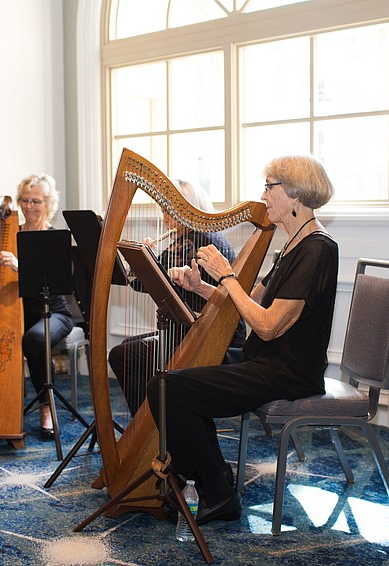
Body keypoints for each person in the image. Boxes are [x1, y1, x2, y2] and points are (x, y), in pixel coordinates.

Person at [147, 155, 338, 525]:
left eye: (270, 186)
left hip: (287, 371)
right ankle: (203, 480)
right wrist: (202, 285)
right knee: (176, 378)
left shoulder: (318, 249)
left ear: (295, 194)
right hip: (264, 359)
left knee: (168, 390)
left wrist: (226, 274)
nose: (263, 195)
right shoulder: (293, 244)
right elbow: (249, 299)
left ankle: (217, 491)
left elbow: (267, 325)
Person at [108, 180, 245, 416]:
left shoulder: (208, 242)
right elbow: (140, 284)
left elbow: (221, 301)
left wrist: (153, 264)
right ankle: (153, 422)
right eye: (163, 210)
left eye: (170, 210)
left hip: (213, 335)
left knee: (123, 355)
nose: (165, 217)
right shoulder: (179, 241)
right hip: (187, 331)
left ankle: (157, 420)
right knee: (125, 350)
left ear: (189, 209)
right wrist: (144, 258)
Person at [0, 174, 75, 440]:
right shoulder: (10, 235)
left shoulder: (54, 238)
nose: (29, 206)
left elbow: (56, 283)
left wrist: (20, 266)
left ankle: (46, 406)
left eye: (36, 201)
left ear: (48, 203)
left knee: (34, 339)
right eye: (24, 200)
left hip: (53, 314)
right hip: (16, 314)